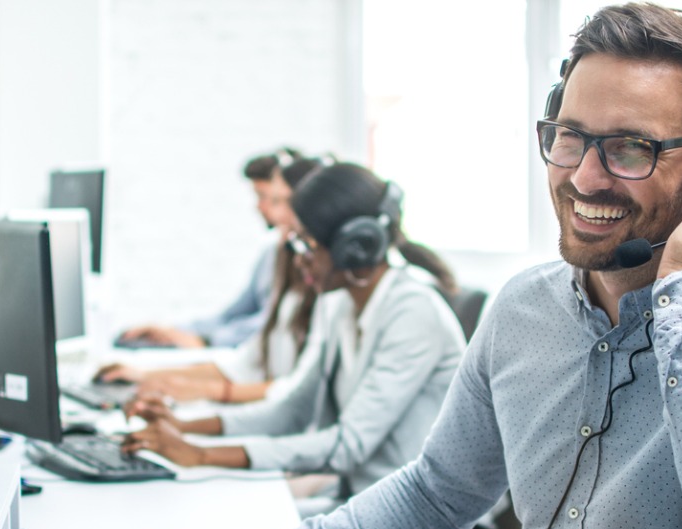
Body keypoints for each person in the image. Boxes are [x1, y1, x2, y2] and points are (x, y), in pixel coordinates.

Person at [109, 4, 682, 529]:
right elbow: (437, 490)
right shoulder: (525, 310)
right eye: (569, 137)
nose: (584, 176)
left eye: (630, 148)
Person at [120, 162, 467, 507]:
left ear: (354, 246)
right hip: (365, 503)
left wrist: (200, 455)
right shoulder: (339, 302)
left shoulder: (413, 313)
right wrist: (184, 426)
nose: (297, 260)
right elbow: (291, 411)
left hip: (418, 524)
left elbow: (347, 446)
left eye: (305, 244)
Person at [96, 158, 326, 404]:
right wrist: (149, 371)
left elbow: (294, 391)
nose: (269, 210)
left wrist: (202, 362)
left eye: (279, 201)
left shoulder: (322, 292)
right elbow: (244, 353)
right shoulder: (278, 259)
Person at [115, 148, 303, 349]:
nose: (260, 206)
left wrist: (207, 340)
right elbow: (232, 315)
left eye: (268, 198)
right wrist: (172, 332)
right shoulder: (271, 255)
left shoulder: (307, 261)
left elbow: (275, 325)